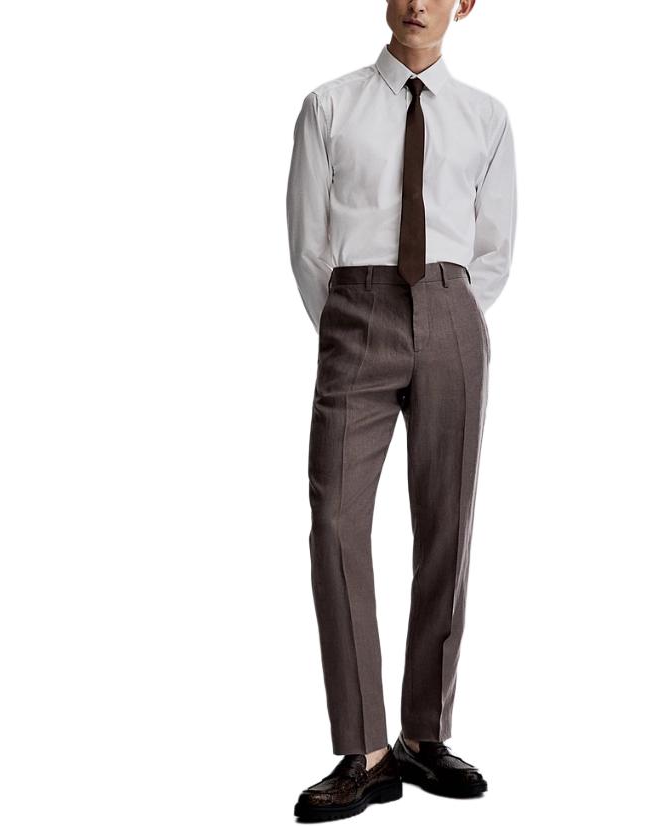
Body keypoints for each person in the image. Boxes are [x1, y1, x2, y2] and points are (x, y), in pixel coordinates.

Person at [286, 0, 516, 819]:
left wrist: (451, 314)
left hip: (452, 312)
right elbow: (308, 243)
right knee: (336, 523)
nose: (417, 3)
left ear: (465, 4)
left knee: (447, 523)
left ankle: (423, 734)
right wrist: (352, 320)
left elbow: (494, 247)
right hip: (357, 311)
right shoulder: (328, 106)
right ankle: (367, 749)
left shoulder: (485, 117)